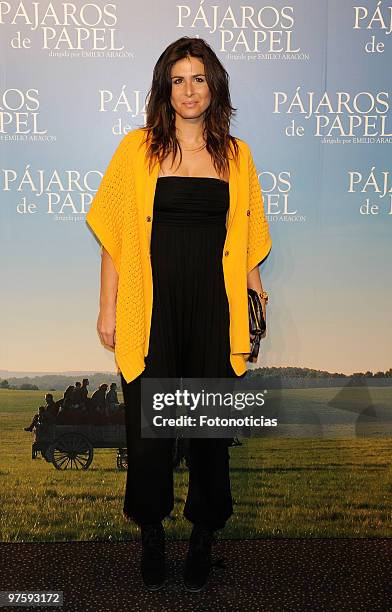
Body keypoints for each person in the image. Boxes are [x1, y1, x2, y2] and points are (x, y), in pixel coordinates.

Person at [86, 37, 272, 592]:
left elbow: (246, 241)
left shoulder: (237, 156)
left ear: (214, 86)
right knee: (148, 432)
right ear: (164, 89)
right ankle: (151, 537)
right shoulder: (136, 150)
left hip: (214, 310)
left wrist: (257, 303)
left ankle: (202, 541)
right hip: (152, 309)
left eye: (198, 78)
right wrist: (107, 308)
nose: (189, 90)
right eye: (178, 80)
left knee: (210, 433)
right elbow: (115, 241)